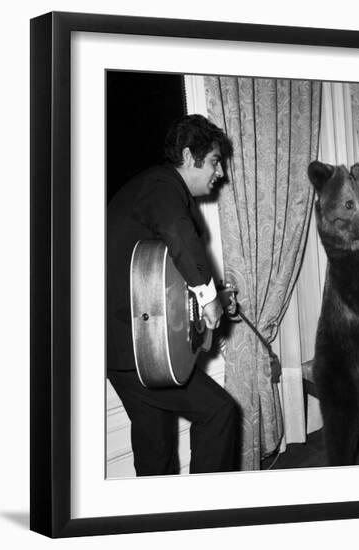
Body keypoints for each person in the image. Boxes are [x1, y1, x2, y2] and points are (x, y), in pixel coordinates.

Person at [106, 114, 238, 476]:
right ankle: (202, 515)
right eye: (214, 161)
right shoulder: (162, 185)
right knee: (218, 413)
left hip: (125, 351)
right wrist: (209, 298)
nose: (220, 173)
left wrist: (214, 299)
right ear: (187, 156)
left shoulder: (150, 190)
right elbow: (177, 233)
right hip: (135, 351)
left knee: (155, 447)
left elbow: (161, 282)